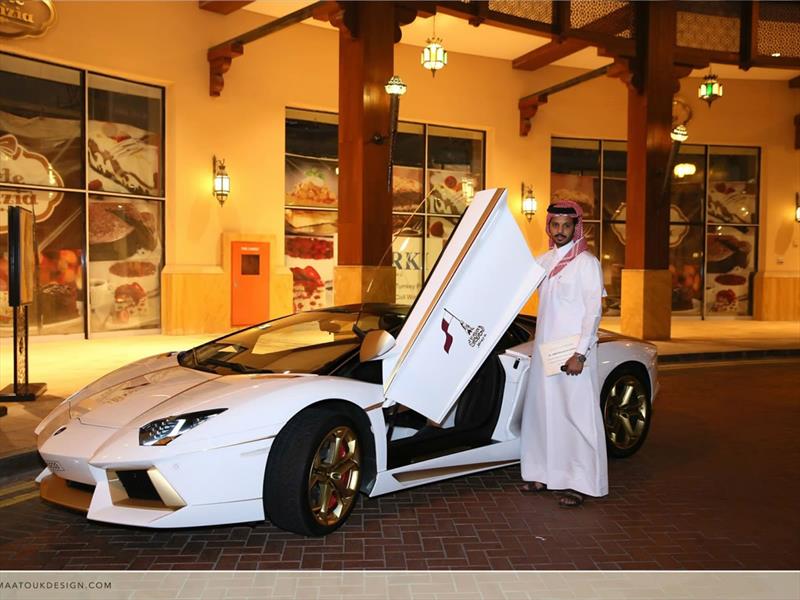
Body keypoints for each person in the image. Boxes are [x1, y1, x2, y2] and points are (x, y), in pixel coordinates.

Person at [518, 200, 607, 508]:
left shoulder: (587, 263)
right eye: (555, 225)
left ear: (576, 227)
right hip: (546, 351)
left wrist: (580, 353)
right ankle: (544, 474)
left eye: (566, 226)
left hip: (571, 354)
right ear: (549, 227)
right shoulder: (542, 261)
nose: (560, 231)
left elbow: (593, 312)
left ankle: (581, 482)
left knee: (576, 416)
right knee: (544, 413)